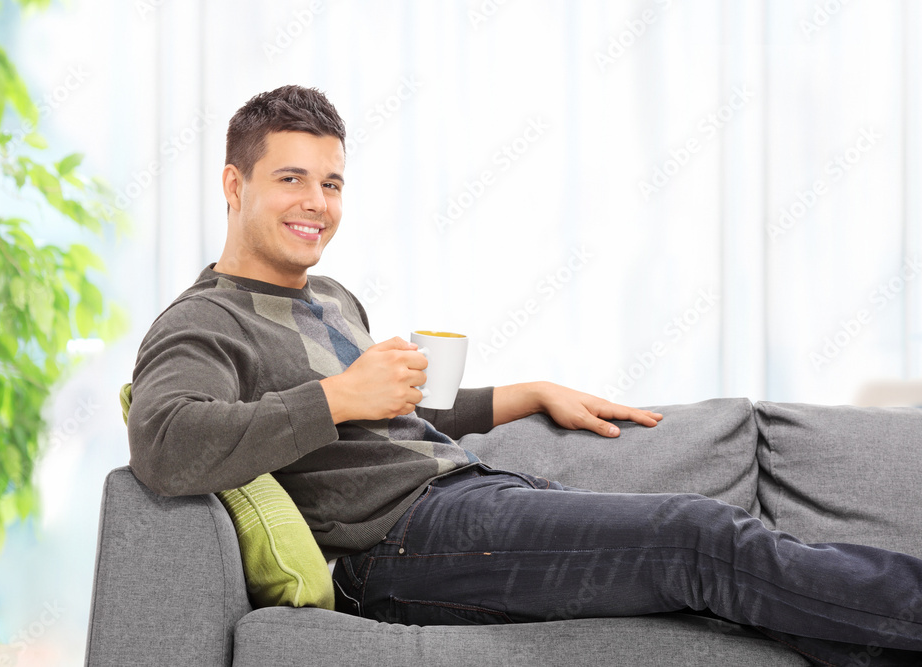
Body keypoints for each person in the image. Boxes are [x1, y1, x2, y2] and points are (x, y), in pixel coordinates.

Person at [127, 84, 922, 665]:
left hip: (470, 494)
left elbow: (399, 408)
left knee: (732, 595)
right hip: (398, 548)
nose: (318, 203)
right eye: (291, 179)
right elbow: (163, 443)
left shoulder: (329, 296)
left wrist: (526, 392)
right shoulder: (205, 321)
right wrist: (336, 397)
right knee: (698, 538)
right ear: (236, 186)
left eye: (332, 182)